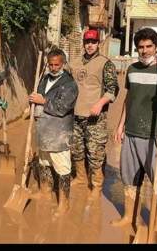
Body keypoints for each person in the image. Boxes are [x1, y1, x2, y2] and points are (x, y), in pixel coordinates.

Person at [112, 27, 157, 242]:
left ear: (156, 47)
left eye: (148, 46)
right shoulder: (132, 70)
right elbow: (128, 99)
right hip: (132, 132)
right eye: (140, 47)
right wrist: (120, 125)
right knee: (130, 179)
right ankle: (128, 217)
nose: (144, 50)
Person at [70, 29, 118, 201]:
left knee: (95, 152)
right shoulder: (74, 63)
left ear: (98, 43)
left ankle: (96, 185)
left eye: (93, 42)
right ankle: (81, 178)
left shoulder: (106, 64)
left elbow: (113, 89)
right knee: (76, 149)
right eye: (87, 42)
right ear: (83, 43)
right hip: (75, 116)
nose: (90, 45)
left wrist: (100, 103)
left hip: (95, 118)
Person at [29, 48, 78, 215]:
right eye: (50, 64)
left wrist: (42, 100)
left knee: (63, 168)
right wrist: (32, 104)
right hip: (43, 130)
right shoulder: (44, 79)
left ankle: (64, 203)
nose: (53, 67)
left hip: (59, 133)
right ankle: (45, 192)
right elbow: (38, 98)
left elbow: (62, 108)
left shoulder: (69, 84)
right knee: (44, 163)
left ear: (63, 64)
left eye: (57, 65)